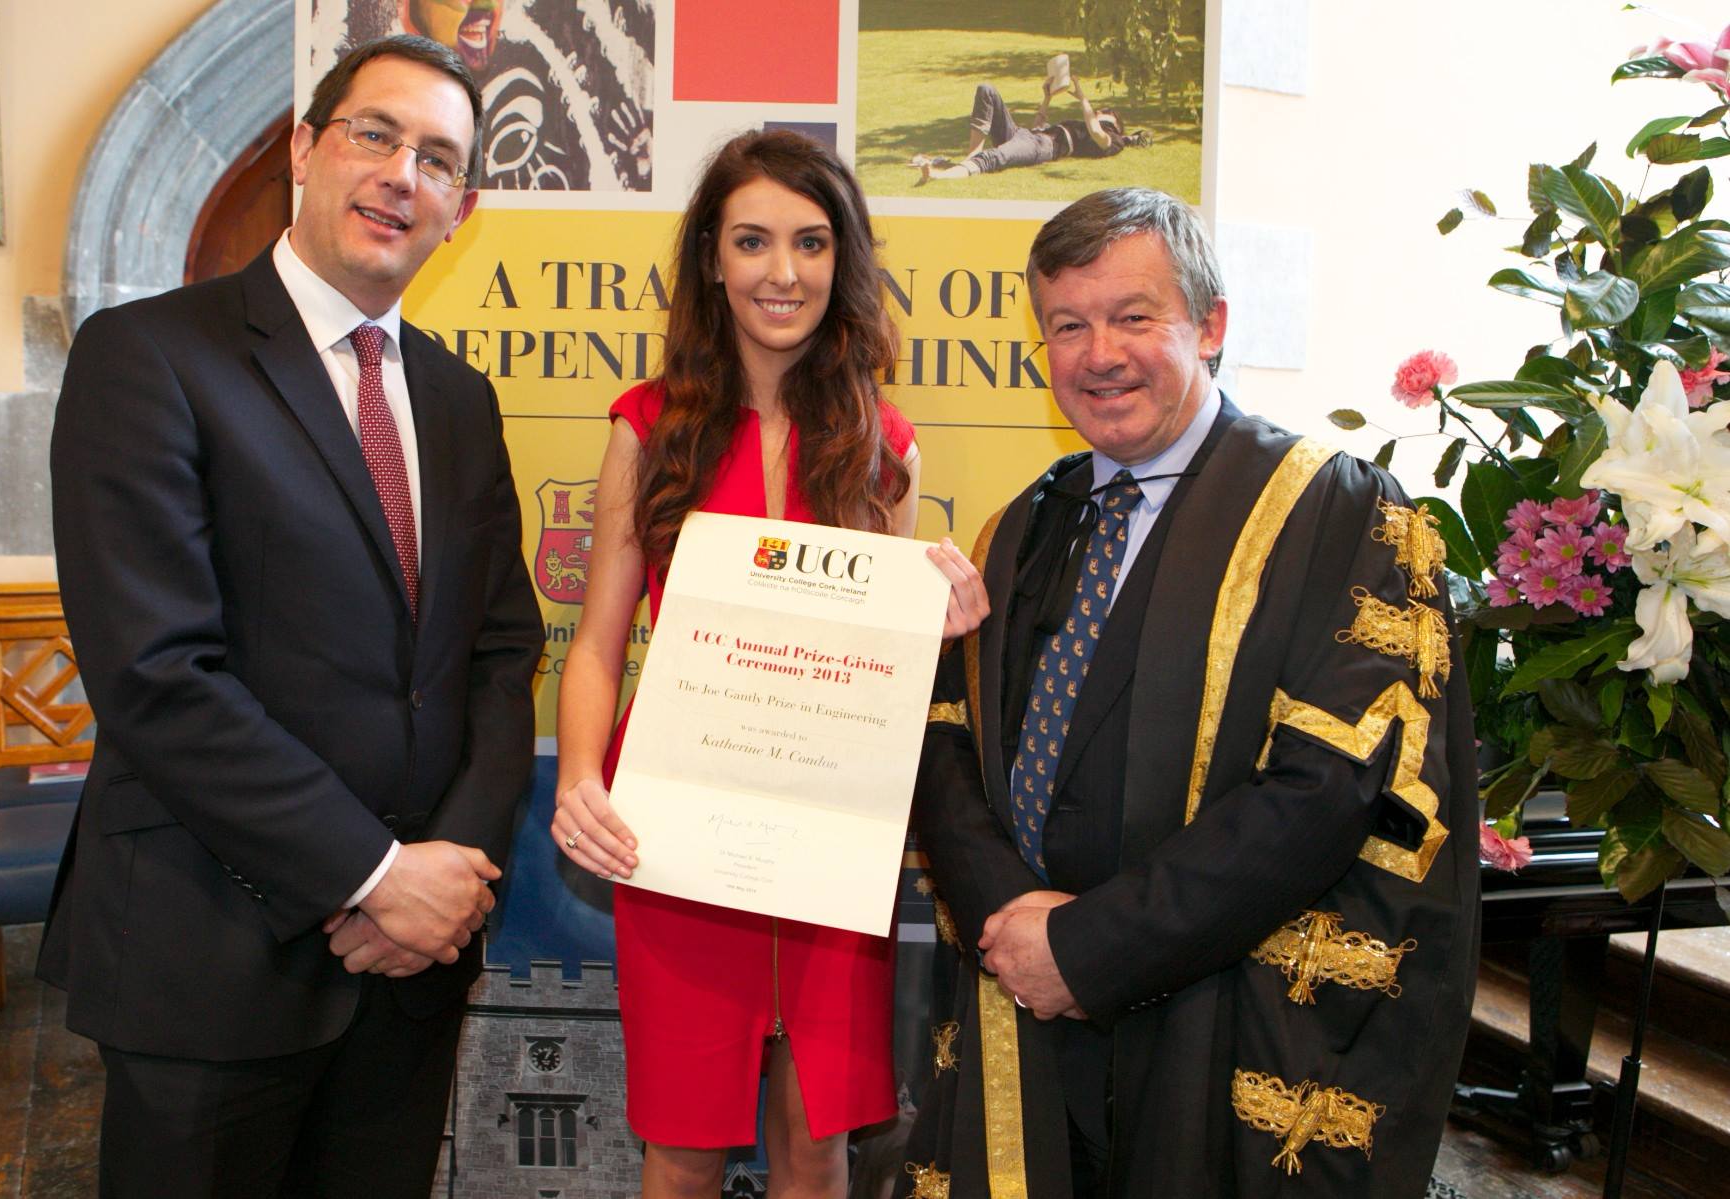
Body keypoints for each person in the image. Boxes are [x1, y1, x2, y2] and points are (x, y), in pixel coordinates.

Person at [897, 188, 1479, 1197]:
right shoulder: (1022, 526)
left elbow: (1326, 790)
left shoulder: (1333, 512)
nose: (1099, 355)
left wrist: (1089, 948)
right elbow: (948, 740)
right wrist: (1013, 924)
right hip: (1026, 1009)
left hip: (1216, 1014)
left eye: (1133, 316)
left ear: (1210, 325)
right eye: (1067, 326)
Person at [41, 35, 544, 1198]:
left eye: (438, 159)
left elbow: (498, 652)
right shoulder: (149, 357)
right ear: (308, 150)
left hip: (409, 972)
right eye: (376, 134)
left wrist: (449, 878)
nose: (402, 175)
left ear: (461, 209)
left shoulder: (460, 400)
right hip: (211, 954)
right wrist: (372, 874)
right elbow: (158, 675)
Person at [549, 129, 990, 1197]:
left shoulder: (885, 443)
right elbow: (597, 641)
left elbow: (883, 669)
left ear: (845, 261)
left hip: (831, 836)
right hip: (680, 829)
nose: (781, 271)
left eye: (810, 241)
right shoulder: (649, 427)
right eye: (752, 241)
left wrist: (942, 627)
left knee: (817, 1143)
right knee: (683, 1146)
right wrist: (579, 779)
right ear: (712, 258)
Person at [910, 75, 1145, 185]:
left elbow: (1095, 132)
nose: (1098, 111)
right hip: (1026, 135)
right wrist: (1047, 98)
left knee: (994, 158)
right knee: (986, 89)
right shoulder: (1084, 126)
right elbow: (1038, 126)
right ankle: (971, 156)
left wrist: (1083, 98)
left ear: (1114, 123)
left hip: (1042, 147)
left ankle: (940, 175)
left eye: (1104, 111)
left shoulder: (1112, 139)